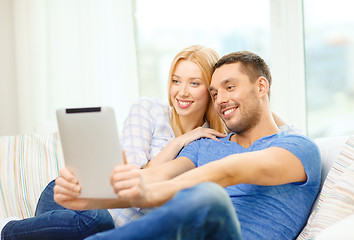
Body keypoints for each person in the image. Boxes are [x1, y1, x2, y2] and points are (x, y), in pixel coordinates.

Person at [0, 47, 300, 240]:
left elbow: (272, 130)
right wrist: (180, 140)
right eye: (175, 80)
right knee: (96, 219)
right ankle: (7, 229)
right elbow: (132, 178)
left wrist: (256, 98)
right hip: (85, 201)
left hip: (120, 219)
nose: (182, 91)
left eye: (196, 83)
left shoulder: (215, 134)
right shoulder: (153, 112)